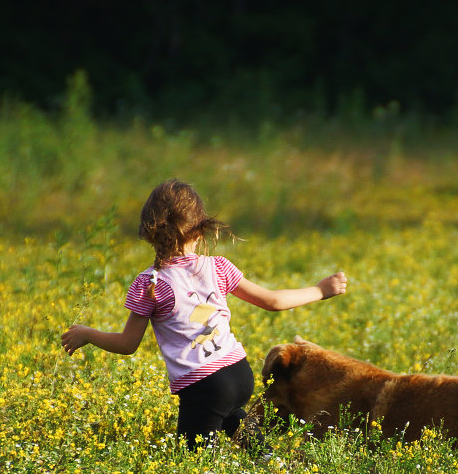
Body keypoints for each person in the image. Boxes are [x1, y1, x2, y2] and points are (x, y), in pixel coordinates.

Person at [61, 179, 347, 450]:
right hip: (239, 373)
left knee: (193, 460)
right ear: (199, 230)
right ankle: (267, 459)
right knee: (230, 415)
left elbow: (127, 344)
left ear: (149, 233)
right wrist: (321, 290)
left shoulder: (150, 283)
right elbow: (273, 301)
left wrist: (87, 334)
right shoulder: (218, 266)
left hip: (203, 385)